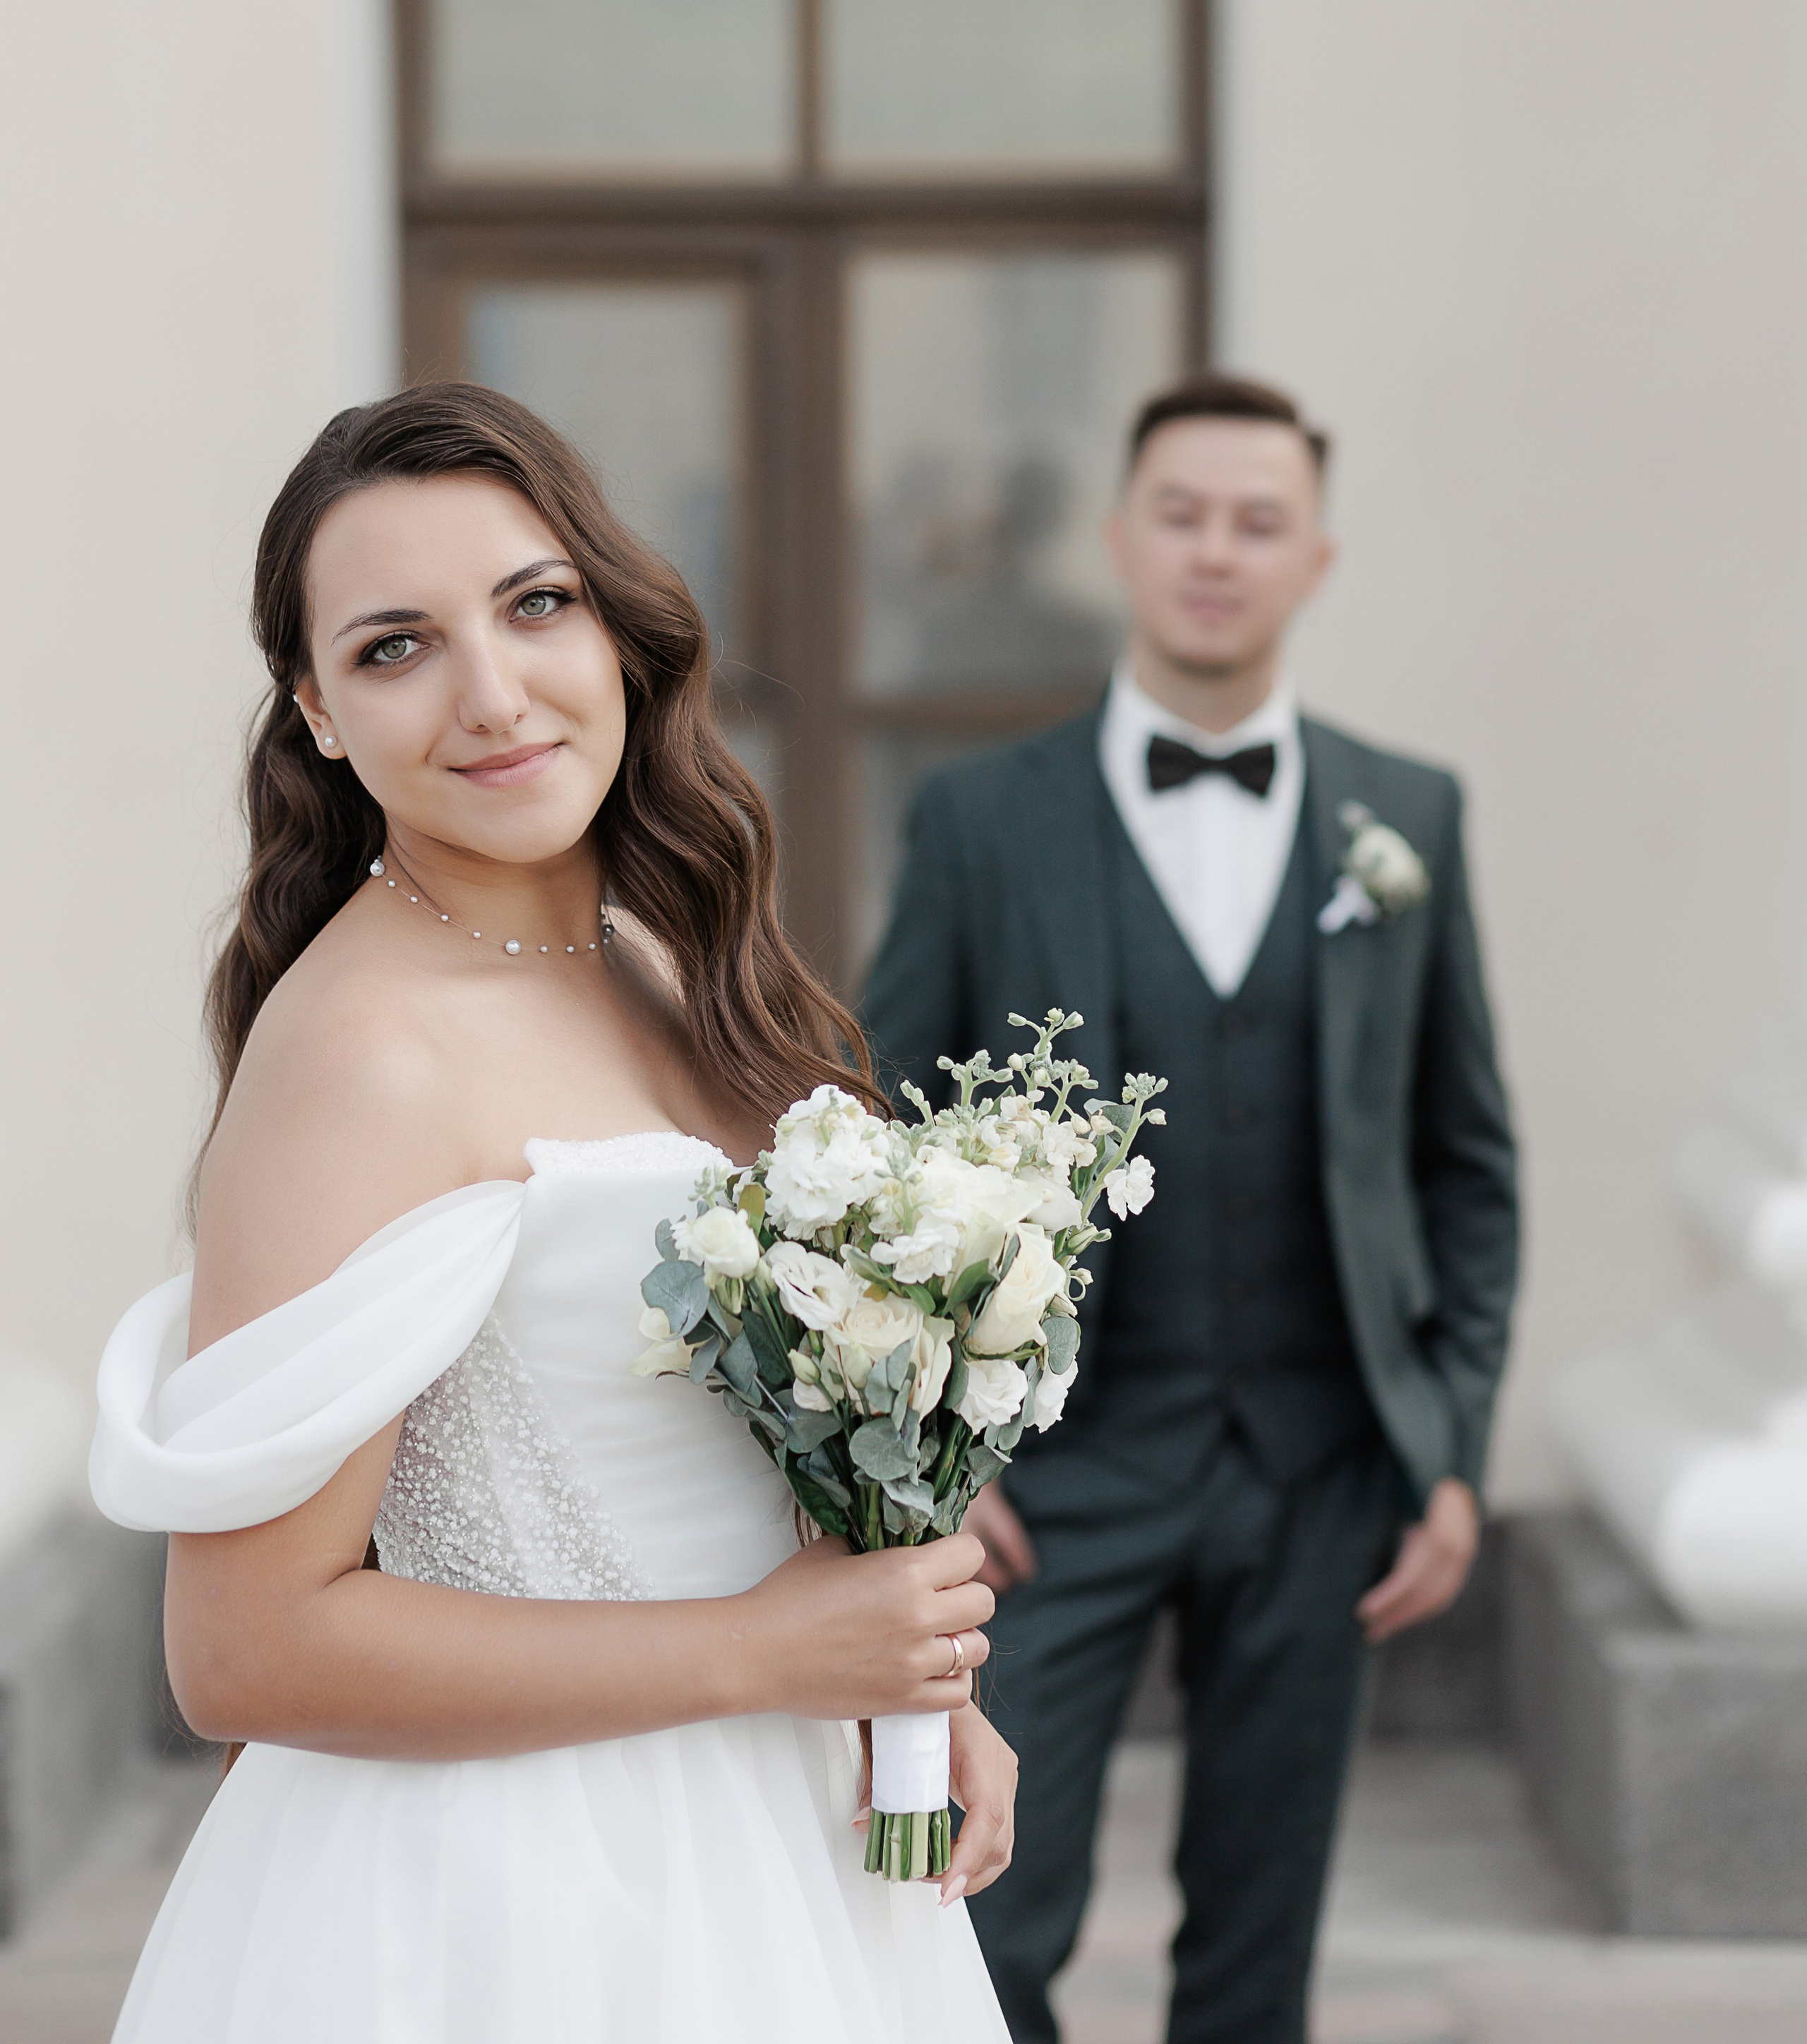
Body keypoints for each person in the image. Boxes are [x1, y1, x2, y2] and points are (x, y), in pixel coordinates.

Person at [90, 383, 1016, 2044]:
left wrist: (912, 1676)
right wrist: (763, 1654)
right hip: (515, 1904)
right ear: (314, 710)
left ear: (617, 622)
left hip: (787, 1858)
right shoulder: (362, 1050)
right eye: (395, 647)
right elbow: (242, 1652)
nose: (493, 695)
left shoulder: (670, 962)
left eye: (535, 606)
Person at [863, 373, 1518, 2044]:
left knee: (1254, 1959)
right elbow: (882, 1153)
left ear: (1315, 558)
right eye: (1180, 514)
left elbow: (1462, 1162)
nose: (1213, 553)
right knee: (981, 1925)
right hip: (1055, 1480)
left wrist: (1446, 1446)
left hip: (1322, 1472)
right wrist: (936, 1471)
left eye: (1256, 522)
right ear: (1116, 540)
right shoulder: (978, 818)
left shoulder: (1407, 817)